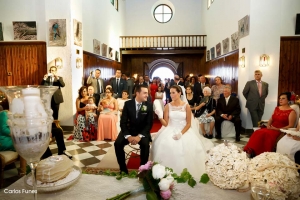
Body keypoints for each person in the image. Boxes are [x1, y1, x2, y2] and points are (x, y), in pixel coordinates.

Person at [152, 85, 213, 179]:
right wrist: (160, 116)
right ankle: (165, 173)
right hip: (170, 129)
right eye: (170, 93)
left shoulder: (186, 106)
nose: (171, 95)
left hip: (184, 130)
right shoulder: (168, 106)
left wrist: (181, 133)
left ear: (180, 93)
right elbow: (165, 123)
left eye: (174, 92)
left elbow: (188, 123)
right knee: (165, 144)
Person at [114, 85, 153, 174]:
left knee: (145, 145)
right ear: (137, 93)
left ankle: (142, 170)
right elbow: (123, 122)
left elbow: (149, 124)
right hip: (128, 131)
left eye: (147, 93)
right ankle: (123, 170)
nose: (147, 95)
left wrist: (139, 136)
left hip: (142, 132)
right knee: (117, 144)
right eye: (145, 93)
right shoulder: (128, 104)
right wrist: (128, 136)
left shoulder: (149, 105)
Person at [244, 92, 297, 157]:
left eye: (283, 98)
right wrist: (268, 125)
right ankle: (251, 151)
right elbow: (271, 119)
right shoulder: (277, 108)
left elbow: (291, 125)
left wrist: (276, 129)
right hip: (271, 128)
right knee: (258, 132)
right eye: (280, 98)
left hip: (280, 130)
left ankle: (263, 154)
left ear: (288, 100)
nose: (280, 100)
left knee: (266, 134)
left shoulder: (292, 112)